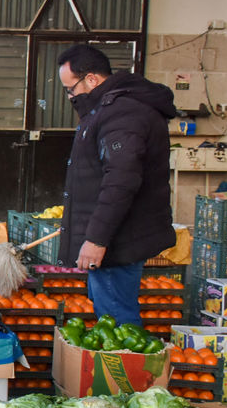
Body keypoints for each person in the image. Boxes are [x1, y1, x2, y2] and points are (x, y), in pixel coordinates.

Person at [57, 44, 178, 325]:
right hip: (117, 236)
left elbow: (120, 181)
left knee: (117, 323)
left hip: (119, 241)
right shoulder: (108, 109)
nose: (70, 96)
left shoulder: (122, 113)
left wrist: (97, 240)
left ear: (92, 79)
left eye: (70, 89)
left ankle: (125, 370)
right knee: (111, 315)